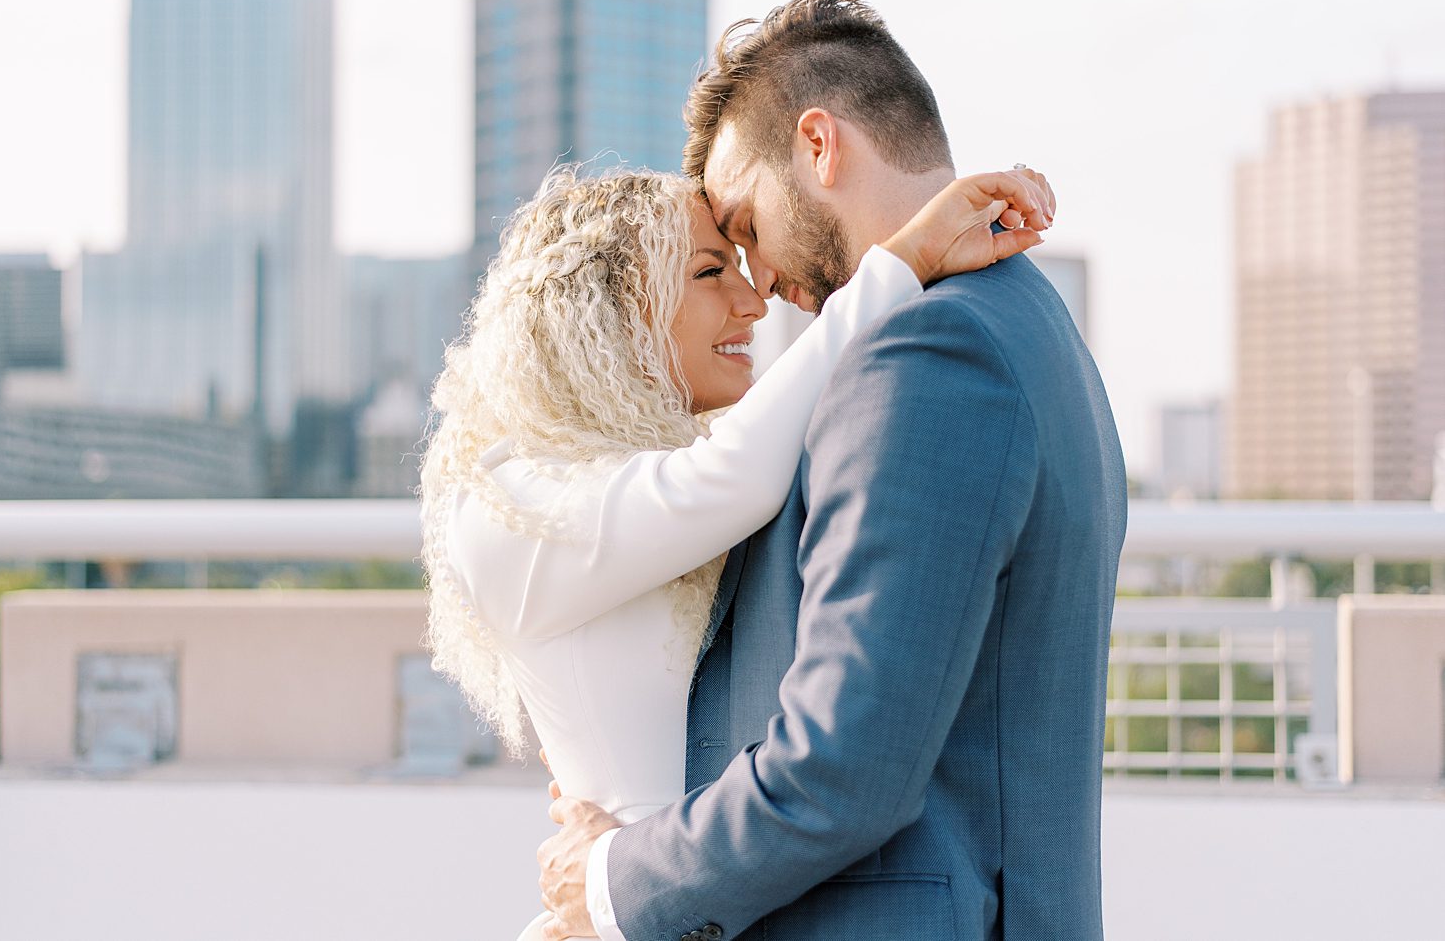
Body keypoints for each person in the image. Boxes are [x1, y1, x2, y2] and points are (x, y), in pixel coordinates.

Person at [535, 0, 1127, 941]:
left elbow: (841, 766)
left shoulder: (931, 360)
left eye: (746, 226)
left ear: (819, 146)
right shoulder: (1029, 324)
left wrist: (615, 880)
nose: (757, 282)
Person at [416, 158, 1054, 941]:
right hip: (638, 913)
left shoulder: (643, 479)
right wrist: (904, 260)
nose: (752, 300)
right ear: (610, 307)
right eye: (711, 270)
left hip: (682, 903)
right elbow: (736, 476)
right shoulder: (509, 505)